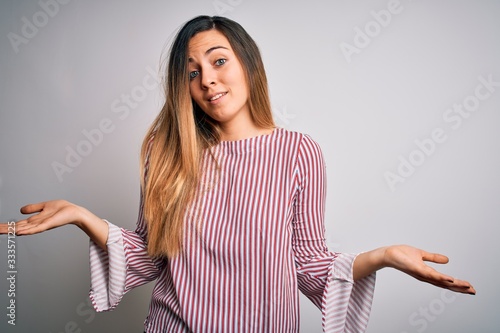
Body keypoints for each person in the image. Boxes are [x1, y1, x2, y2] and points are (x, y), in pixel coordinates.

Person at [0, 15, 475, 333]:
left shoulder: (298, 152)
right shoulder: (165, 151)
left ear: (247, 62)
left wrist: (384, 255)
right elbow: (150, 257)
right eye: (191, 72)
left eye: (218, 60)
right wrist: (86, 217)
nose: (207, 79)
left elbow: (308, 266)